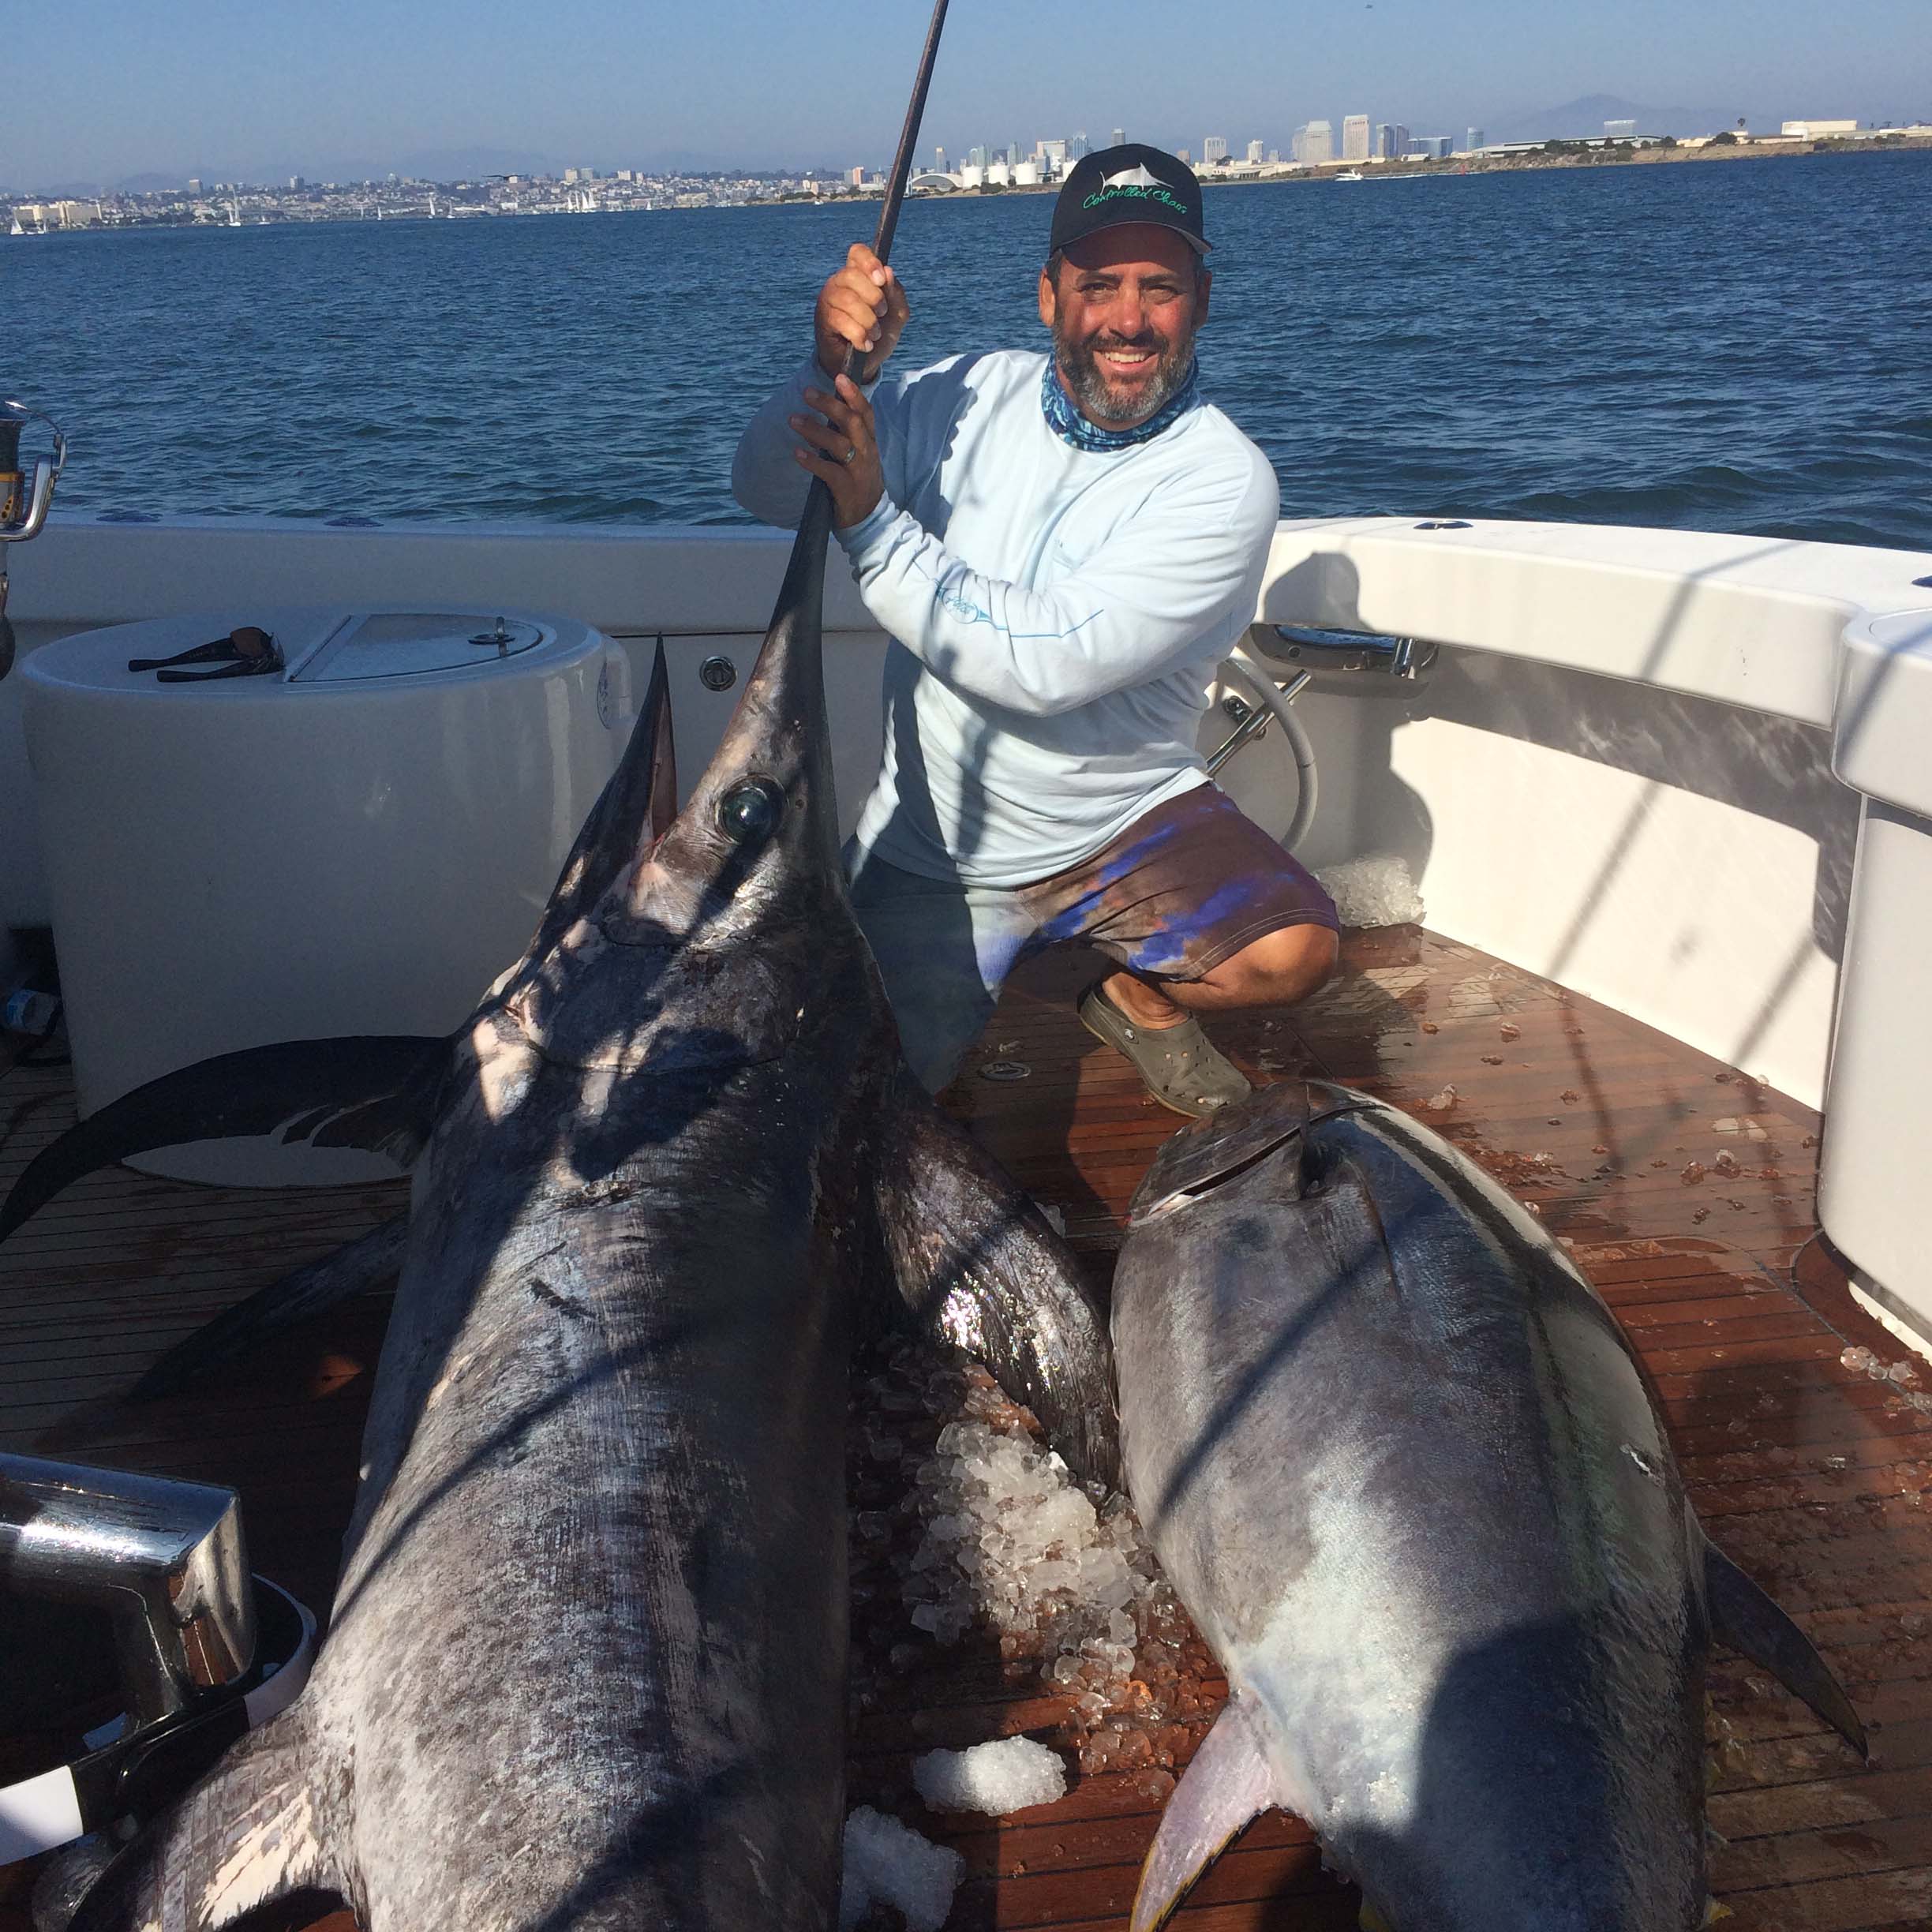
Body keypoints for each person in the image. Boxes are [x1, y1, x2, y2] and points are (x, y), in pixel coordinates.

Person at [732, 144, 1338, 1117]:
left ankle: (1104, 973)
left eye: (1160, 288)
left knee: (1293, 951)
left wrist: (875, 522)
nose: (1129, 320)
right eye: (1098, 285)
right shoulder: (963, 395)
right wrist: (829, 367)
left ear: (1203, 301)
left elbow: (1044, 663)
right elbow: (764, 487)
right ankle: (1071, 973)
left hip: (1123, 825)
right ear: (1049, 296)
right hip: (930, 854)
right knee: (853, 1108)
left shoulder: (1224, 482)